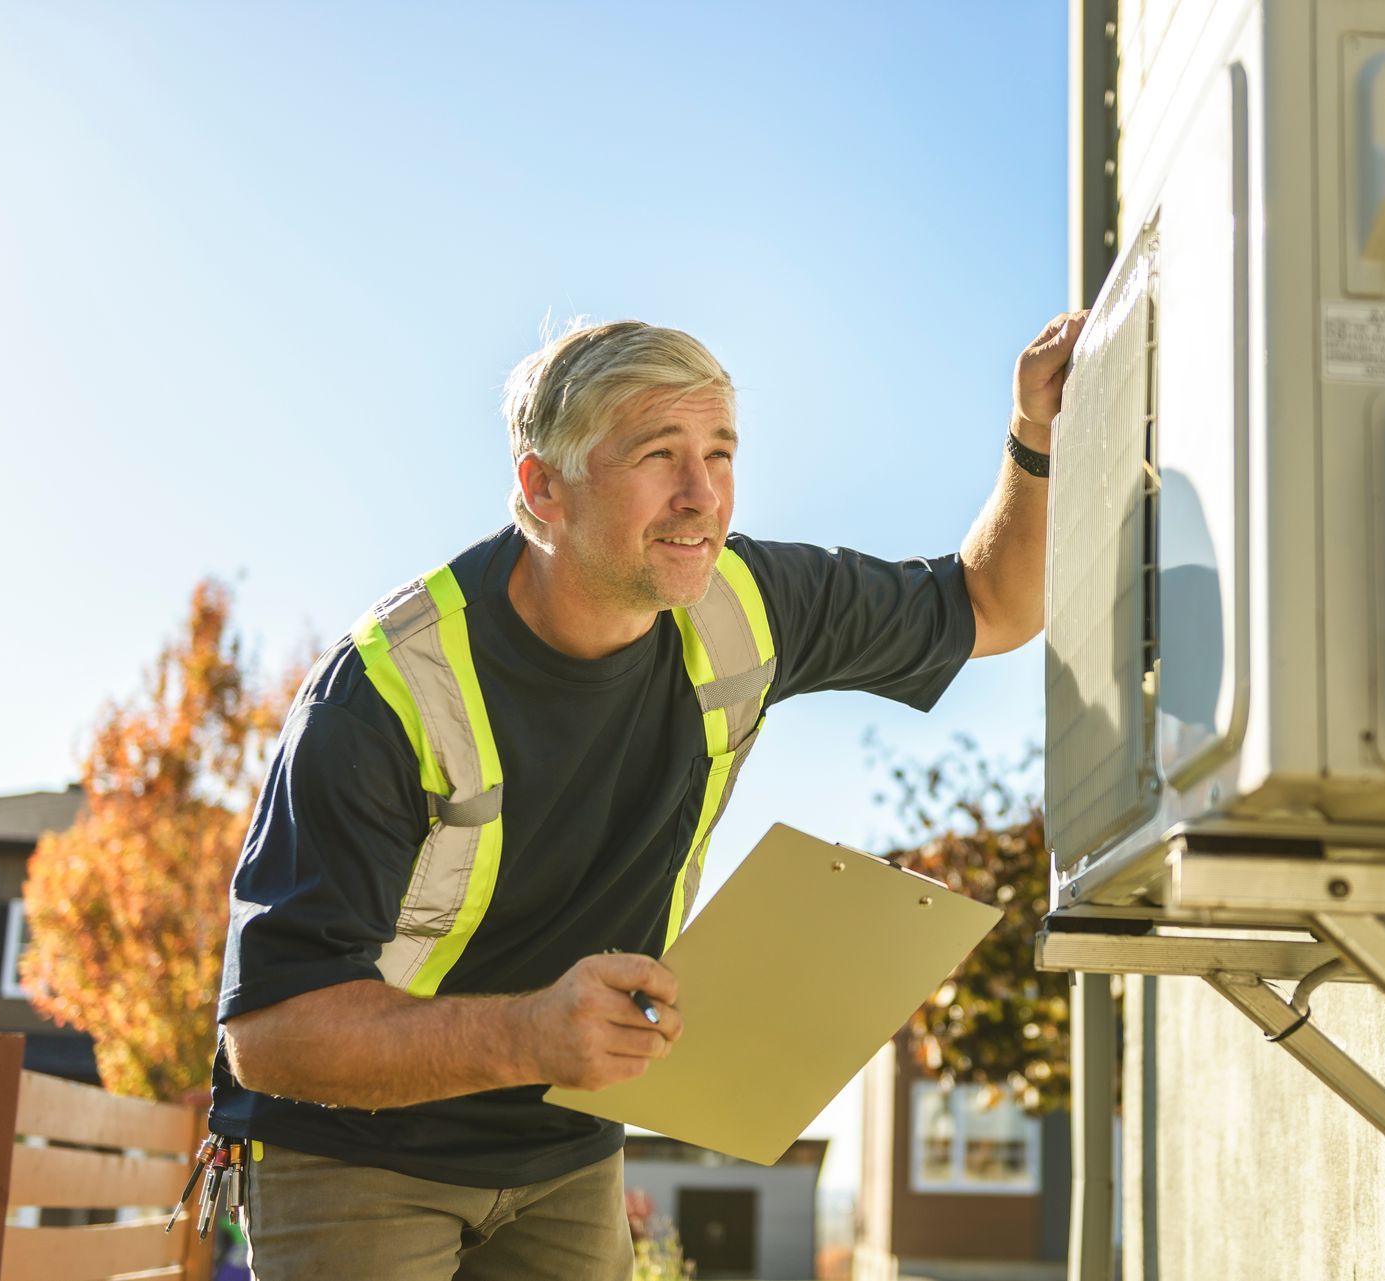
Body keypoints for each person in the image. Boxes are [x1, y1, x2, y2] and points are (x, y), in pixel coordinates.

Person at [211, 311, 1086, 1279]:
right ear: (543, 489)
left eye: (719, 452)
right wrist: (527, 1035)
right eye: (657, 454)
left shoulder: (749, 597)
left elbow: (995, 605)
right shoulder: (382, 694)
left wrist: (1034, 434)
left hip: (565, 1151)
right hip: (357, 1153)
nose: (700, 496)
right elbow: (273, 1035)